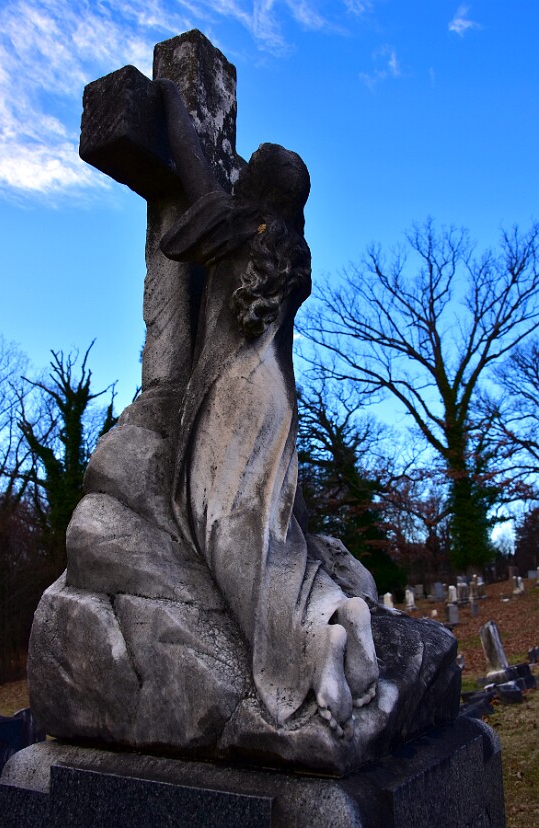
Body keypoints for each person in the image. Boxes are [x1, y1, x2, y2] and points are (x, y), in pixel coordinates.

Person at [156, 78, 379, 736]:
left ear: (252, 188)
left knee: (231, 543)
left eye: (244, 169)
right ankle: (339, 612)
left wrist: (172, 102)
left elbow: (193, 172)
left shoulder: (230, 223)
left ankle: (309, 657)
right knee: (272, 535)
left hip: (232, 397)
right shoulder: (292, 249)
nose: (234, 170)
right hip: (277, 398)